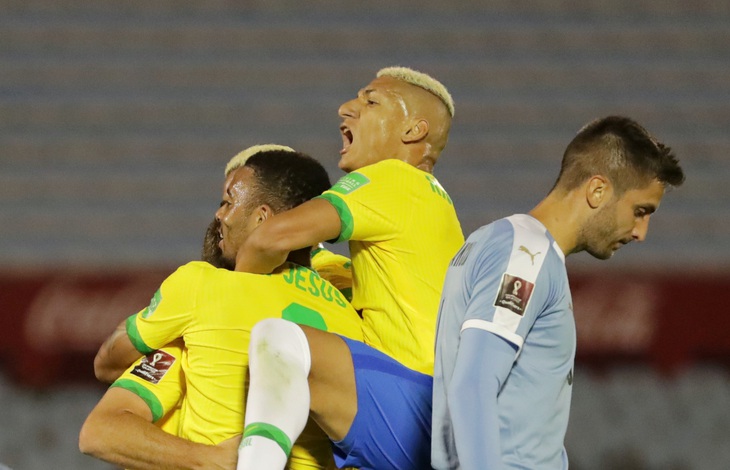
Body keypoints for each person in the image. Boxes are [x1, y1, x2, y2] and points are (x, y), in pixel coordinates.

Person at [235, 67, 464, 470]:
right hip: (441, 423)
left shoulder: (392, 177)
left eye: (371, 101)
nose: (346, 108)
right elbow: (333, 268)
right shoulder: (433, 204)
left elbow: (266, 240)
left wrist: (234, 297)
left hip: (410, 402)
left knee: (279, 339)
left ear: (413, 131)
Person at [81, 145, 363, 470]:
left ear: (262, 218)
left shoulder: (202, 293)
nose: (219, 215)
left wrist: (211, 460)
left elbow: (99, 422)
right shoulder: (349, 315)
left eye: (228, 202)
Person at [431, 116, 686, 469]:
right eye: (640, 211)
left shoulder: (507, 244)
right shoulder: (525, 255)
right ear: (597, 190)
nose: (641, 232)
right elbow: (473, 385)